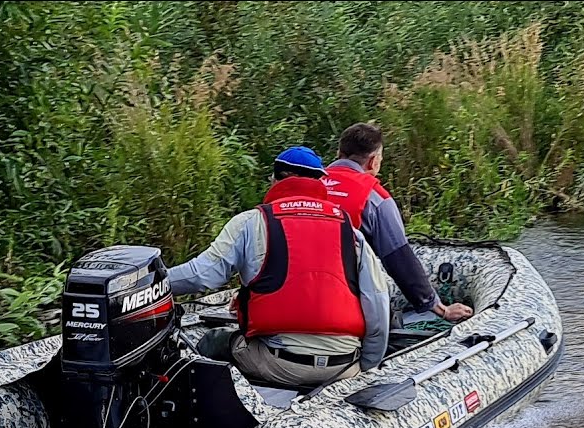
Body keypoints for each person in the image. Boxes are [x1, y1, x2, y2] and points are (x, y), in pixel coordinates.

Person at [166, 146, 391, 389]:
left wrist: (152, 283)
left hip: (278, 364)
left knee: (210, 341)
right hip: (344, 367)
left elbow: (200, 276)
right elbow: (378, 306)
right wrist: (367, 365)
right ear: (321, 184)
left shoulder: (252, 222)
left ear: (275, 180)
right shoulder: (351, 231)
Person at [324, 122, 474, 323]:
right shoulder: (374, 198)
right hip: (340, 304)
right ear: (373, 161)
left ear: (338, 153)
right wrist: (441, 309)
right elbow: (400, 261)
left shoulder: (307, 185)